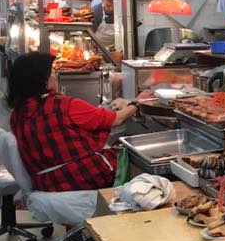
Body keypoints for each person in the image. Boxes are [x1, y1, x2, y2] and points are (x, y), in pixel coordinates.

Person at [8, 52, 138, 192]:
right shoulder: (64, 105)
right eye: (52, 73)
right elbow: (117, 119)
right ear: (44, 82)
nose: (55, 76)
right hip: (81, 177)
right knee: (132, 157)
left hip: (45, 185)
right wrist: (137, 103)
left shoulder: (16, 115)